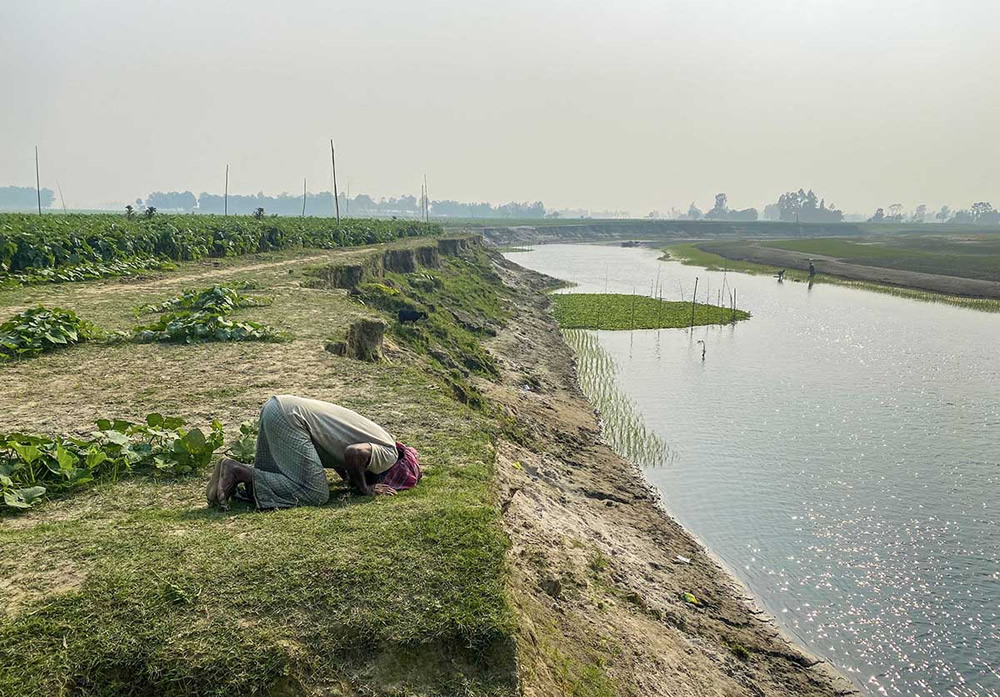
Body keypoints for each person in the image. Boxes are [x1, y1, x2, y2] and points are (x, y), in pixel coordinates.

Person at [207, 395, 421, 510]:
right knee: (315, 493)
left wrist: (347, 477)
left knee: (287, 473)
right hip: (292, 418)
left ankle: (236, 475)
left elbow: (335, 442)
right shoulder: (390, 455)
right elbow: (353, 453)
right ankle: (238, 471)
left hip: (280, 408)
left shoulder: (381, 437)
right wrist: (365, 488)